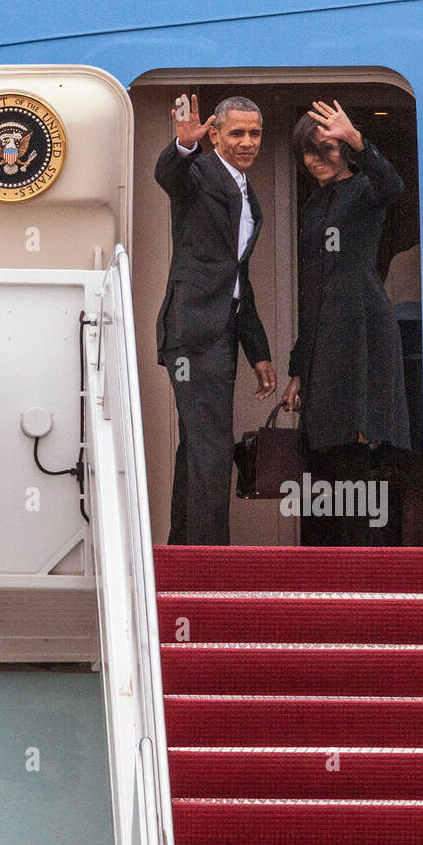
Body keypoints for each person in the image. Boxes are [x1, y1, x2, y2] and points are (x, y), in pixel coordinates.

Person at [281, 100, 411, 546]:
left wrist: (357, 139)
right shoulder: (315, 206)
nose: (317, 160)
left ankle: (361, 556)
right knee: (322, 448)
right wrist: (298, 367)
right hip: (322, 332)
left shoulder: (365, 190)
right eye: (309, 151)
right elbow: (310, 287)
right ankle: (330, 555)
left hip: (361, 323)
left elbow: (393, 186)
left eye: (327, 149)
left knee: (358, 438)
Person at [155, 93, 276, 545]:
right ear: (216, 134)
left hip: (222, 334)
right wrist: (184, 147)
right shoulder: (200, 172)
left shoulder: (246, 188)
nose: (247, 142)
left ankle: (184, 551)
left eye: (255, 133)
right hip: (193, 333)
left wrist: (257, 351)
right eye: (237, 133)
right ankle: (209, 562)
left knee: (198, 447)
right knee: (211, 449)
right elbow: (169, 176)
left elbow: (237, 276)